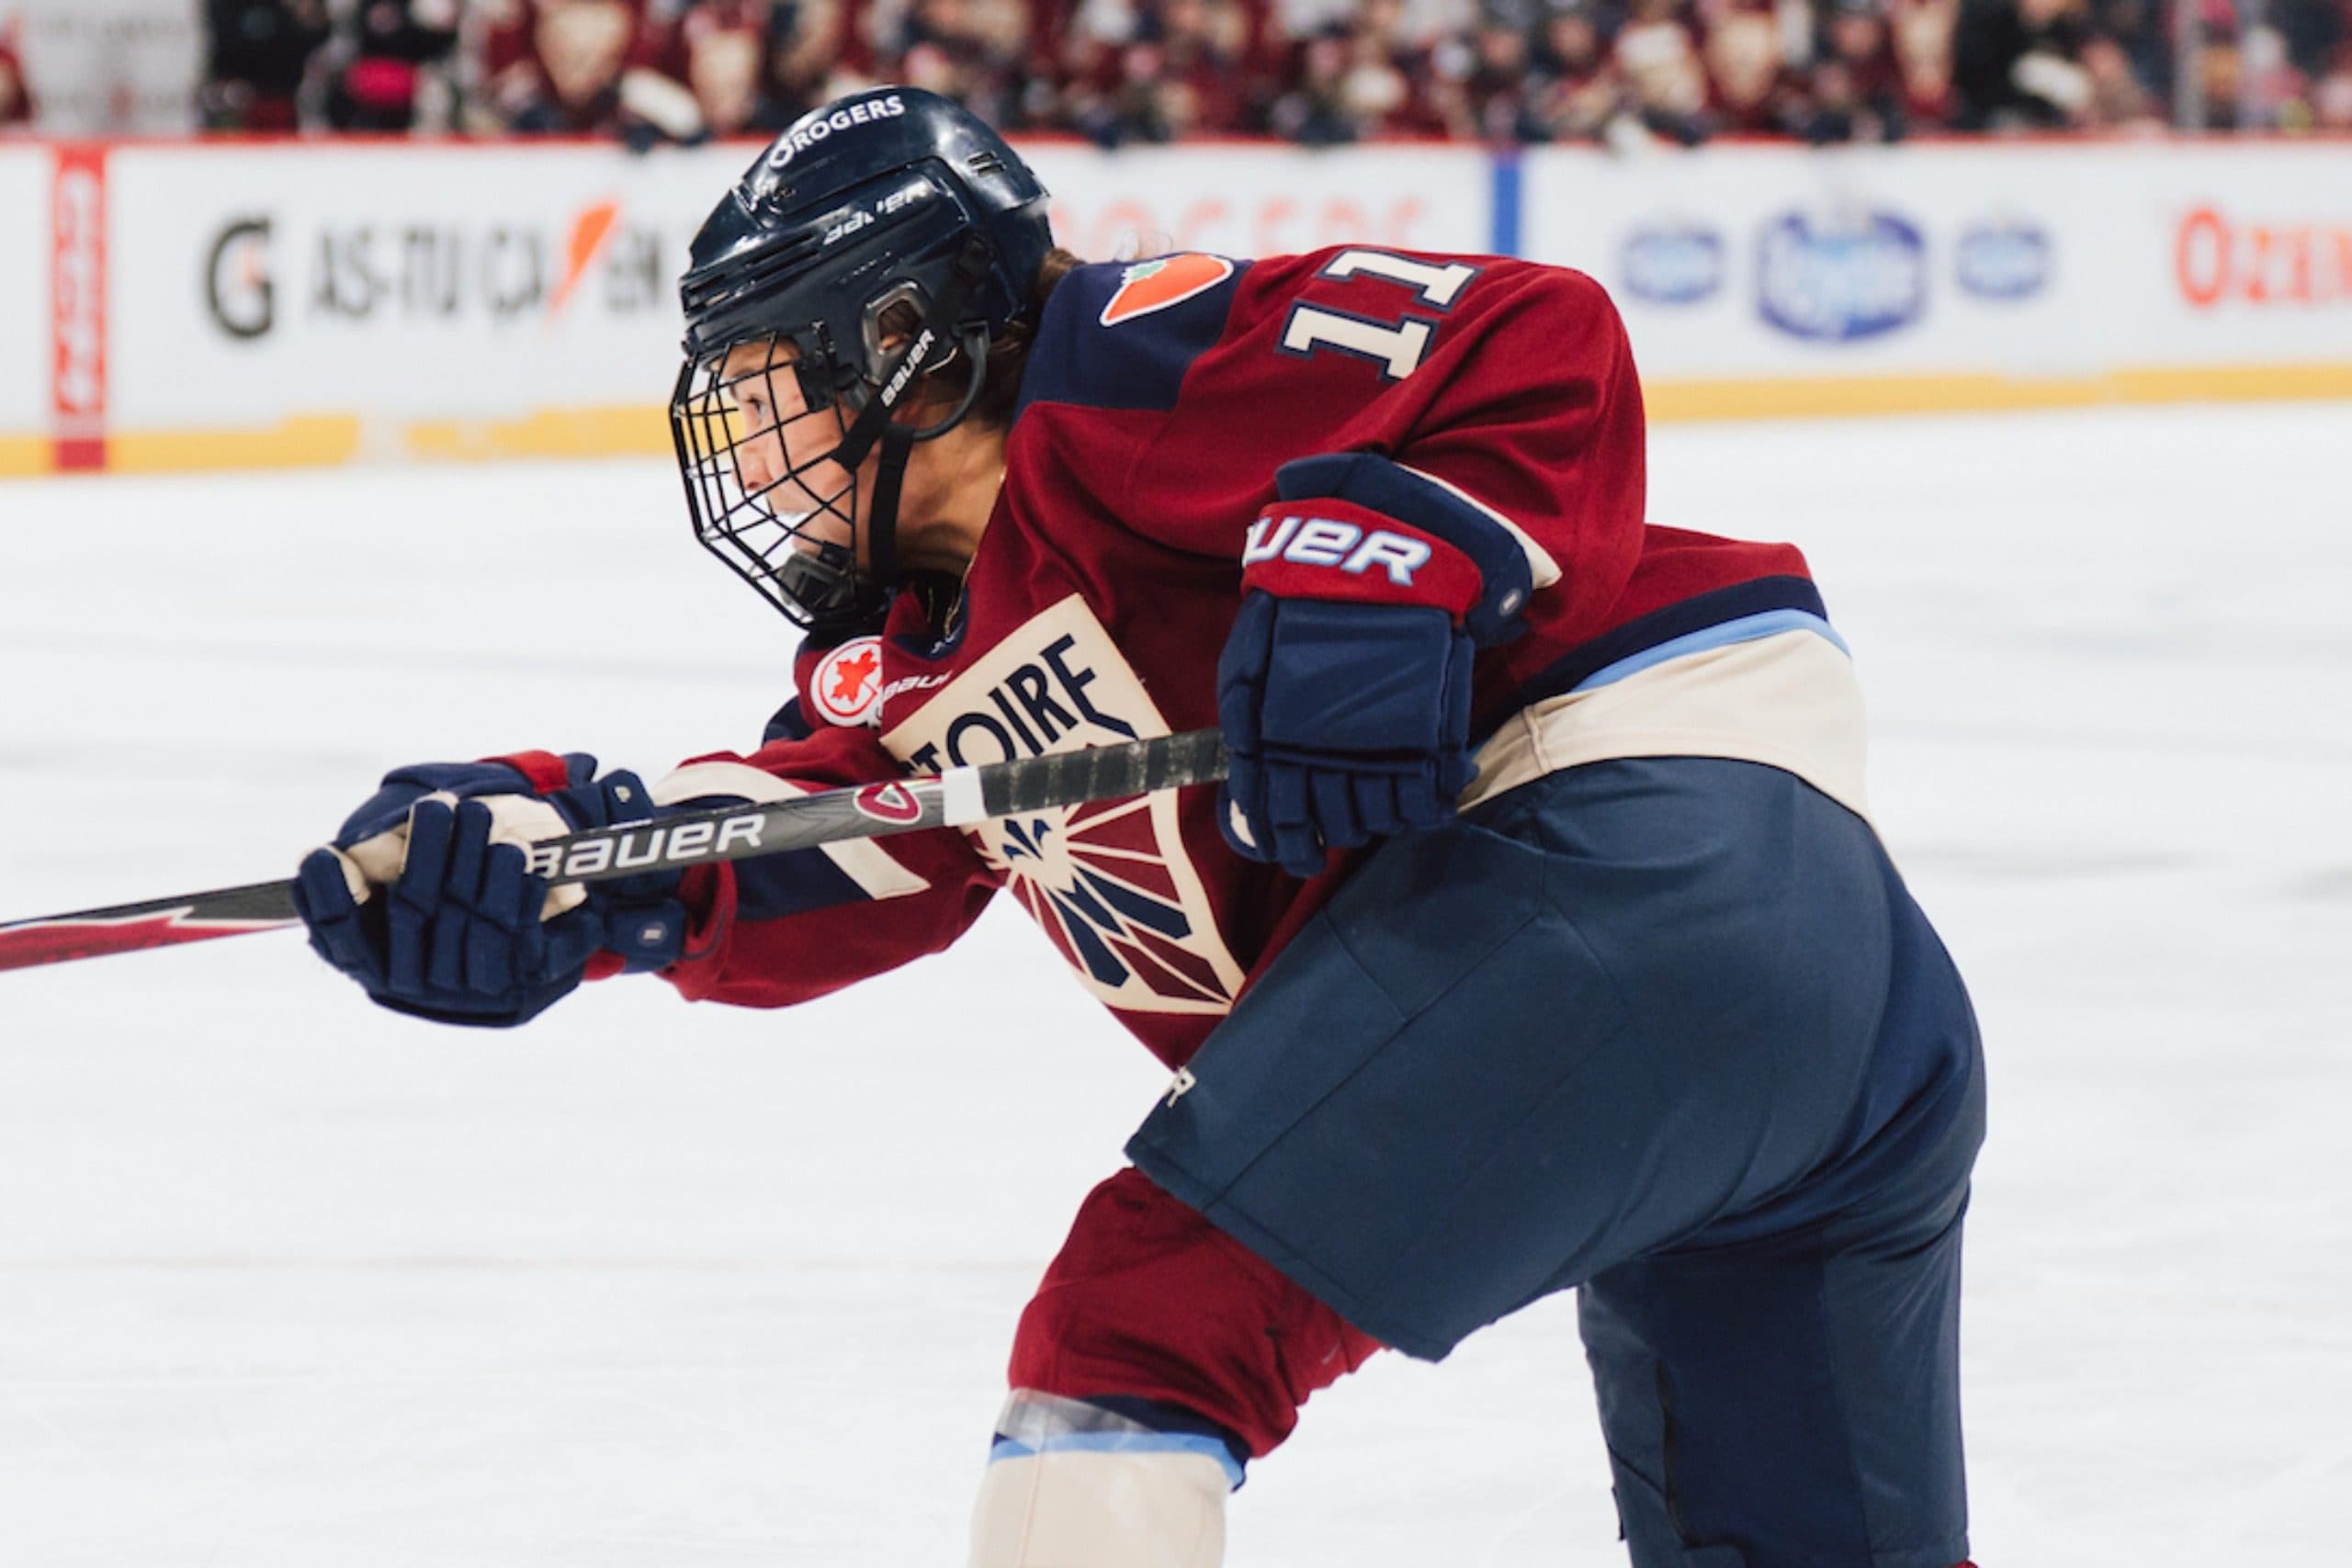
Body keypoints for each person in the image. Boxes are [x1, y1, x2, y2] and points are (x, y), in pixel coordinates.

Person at [292, 87, 1986, 1568]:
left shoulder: (1129, 370)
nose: (752, 445)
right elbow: (844, 837)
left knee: (1135, 1336)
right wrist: (565, 872)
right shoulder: (925, 645)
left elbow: (1526, 336)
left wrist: (1386, 560)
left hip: (1634, 861)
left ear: (899, 343)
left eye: (765, 385)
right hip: (1814, 1023)